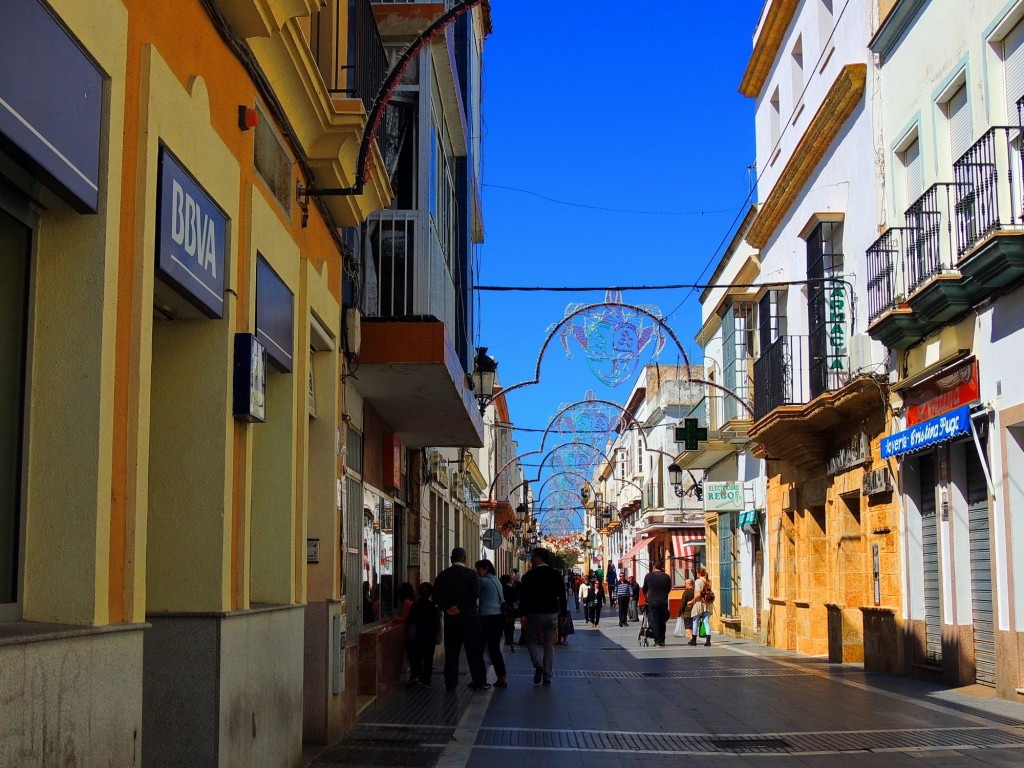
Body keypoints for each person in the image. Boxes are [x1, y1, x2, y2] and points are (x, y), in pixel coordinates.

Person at [432, 547, 490, 691]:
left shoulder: (443, 575)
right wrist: (461, 608)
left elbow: (436, 596)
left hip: (451, 621)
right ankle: (479, 681)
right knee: (474, 652)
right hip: (470, 619)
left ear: (451, 559)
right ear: (465, 559)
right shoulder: (472, 575)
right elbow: (474, 594)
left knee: (451, 653)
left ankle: (450, 682)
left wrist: (448, 608)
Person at [518, 547, 567, 686]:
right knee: (549, 645)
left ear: (540, 558)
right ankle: (547, 676)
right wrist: (563, 613)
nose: (532, 559)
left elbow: (524, 596)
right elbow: (562, 595)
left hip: (534, 614)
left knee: (531, 641)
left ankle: (538, 665)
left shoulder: (530, 575)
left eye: (534, 556)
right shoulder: (556, 574)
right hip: (552, 613)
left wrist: (522, 614)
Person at [475, 559, 508, 688]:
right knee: (494, 649)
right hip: (498, 617)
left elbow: (471, 591)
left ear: (486, 568)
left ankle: (479, 678)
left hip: (486, 618)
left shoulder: (482, 581)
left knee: (479, 648)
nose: (477, 571)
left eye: (478, 569)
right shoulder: (496, 580)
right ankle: (502, 677)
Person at [405, 582, 440, 687]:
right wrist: (437, 635)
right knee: (428, 658)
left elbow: (411, 622)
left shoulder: (415, 606)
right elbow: (437, 622)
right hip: (430, 637)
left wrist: (410, 637)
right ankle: (427, 680)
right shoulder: (433, 606)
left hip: (417, 637)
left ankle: (416, 675)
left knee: (417, 657)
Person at [642, 560, 672, 647]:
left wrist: (646, 599)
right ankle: (662, 640)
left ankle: (657, 641)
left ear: (654, 566)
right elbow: (668, 589)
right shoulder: (666, 576)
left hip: (652, 601)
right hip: (663, 601)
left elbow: (644, 589)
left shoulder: (648, 576)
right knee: (662, 621)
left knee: (654, 621)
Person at [688, 566, 712, 647]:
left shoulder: (698, 581)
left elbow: (698, 594)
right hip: (707, 603)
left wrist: (692, 601)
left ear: (698, 573)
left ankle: (694, 640)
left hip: (699, 603)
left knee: (695, 621)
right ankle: (708, 641)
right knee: (706, 622)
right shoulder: (708, 581)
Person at [500, 574, 518, 651]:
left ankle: (504, 637)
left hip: (501, 608)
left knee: (503, 623)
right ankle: (509, 638)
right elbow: (514, 598)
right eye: (511, 579)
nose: (512, 580)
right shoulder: (510, 588)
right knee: (510, 624)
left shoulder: (500, 588)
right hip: (509, 608)